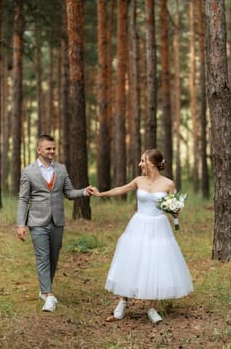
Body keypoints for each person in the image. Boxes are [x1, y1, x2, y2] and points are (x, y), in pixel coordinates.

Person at [90, 149, 193, 322]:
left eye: (143, 161)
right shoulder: (139, 180)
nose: (140, 164)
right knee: (132, 260)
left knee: (156, 263)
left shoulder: (168, 184)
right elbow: (121, 189)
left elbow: (175, 209)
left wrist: (175, 210)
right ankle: (123, 302)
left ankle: (152, 307)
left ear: (152, 163)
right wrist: (101, 194)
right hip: (138, 225)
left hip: (159, 226)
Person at [16, 134, 92, 312]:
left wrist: (84, 192)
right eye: (48, 148)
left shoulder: (61, 169)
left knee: (53, 257)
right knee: (42, 257)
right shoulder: (28, 171)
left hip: (57, 221)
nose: (52, 151)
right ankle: (49, 295)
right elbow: (23, 199)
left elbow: (69, 193)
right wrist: (21, 224)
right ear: (39, 150)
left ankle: (44, 289)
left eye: (53, 148)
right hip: (37, 222)